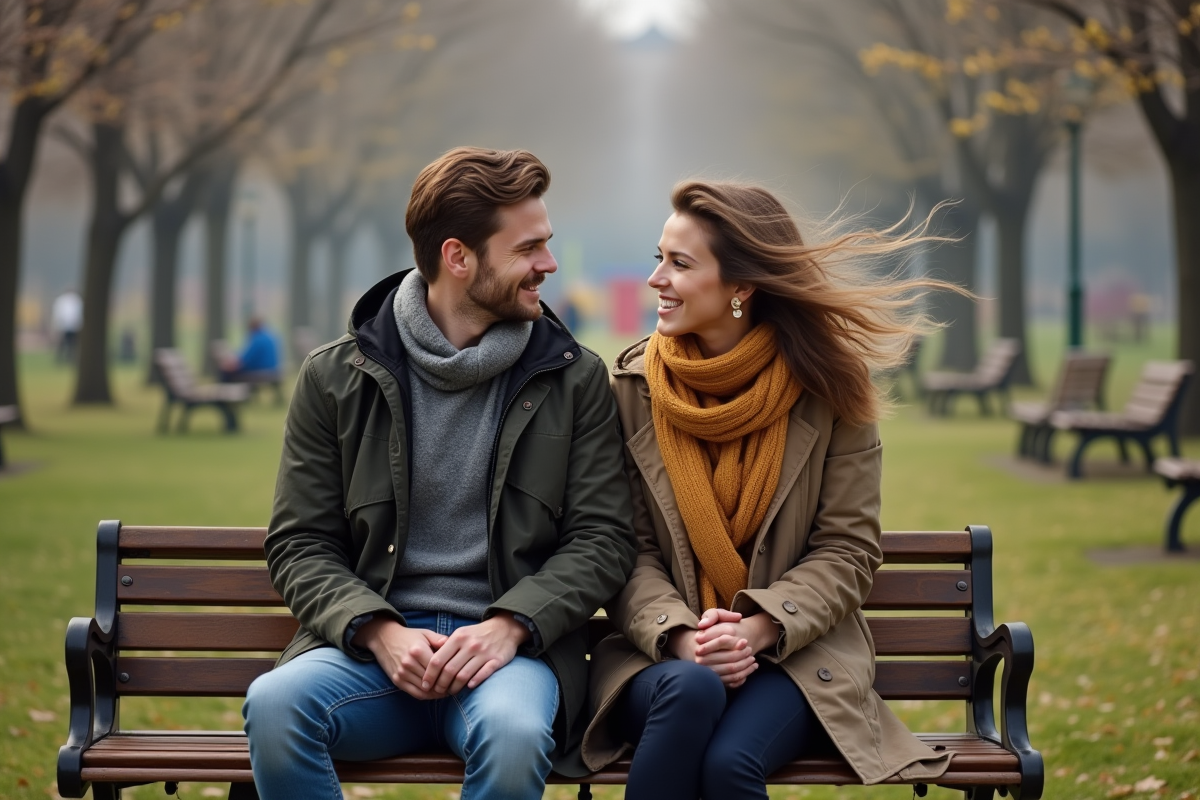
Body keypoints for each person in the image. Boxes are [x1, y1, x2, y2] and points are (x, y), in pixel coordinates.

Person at [242, 147, 636, 800]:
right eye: (529, 248)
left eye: (547, 243)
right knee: (277, 704)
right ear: (458, 258)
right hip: (371, 654)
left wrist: (510, 625)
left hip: (511, 656)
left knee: (513, 735)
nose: (550, 264)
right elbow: (299, 543)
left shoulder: (575, 378)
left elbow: (603, 539)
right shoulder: (334, 377)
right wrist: (380, 632)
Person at [581, 181, 961, 799]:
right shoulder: (629, 392)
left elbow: (846, 550)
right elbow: (625, 550)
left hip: (794, 654)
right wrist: (685, 637)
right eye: (658, 258)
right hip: (658, 657)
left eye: (679, 263)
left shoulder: (831, 390)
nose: (656, 279)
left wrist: (755, 630)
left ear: (740, 288)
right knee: (692, 691)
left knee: (730, 765)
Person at [218, 317, 281, 381]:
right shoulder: (270, 336)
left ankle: (226, 390)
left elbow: (245, 359)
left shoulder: (257, 339)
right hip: (272, 368)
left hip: (260, 369)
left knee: (226, 372)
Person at [51, 289, 82, 364]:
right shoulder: (74, 300)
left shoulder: (72, 300)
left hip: (71, 326)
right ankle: (64, 358)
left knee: (70, 343)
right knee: (66, 343)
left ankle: (68, 358)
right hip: (67, 326)